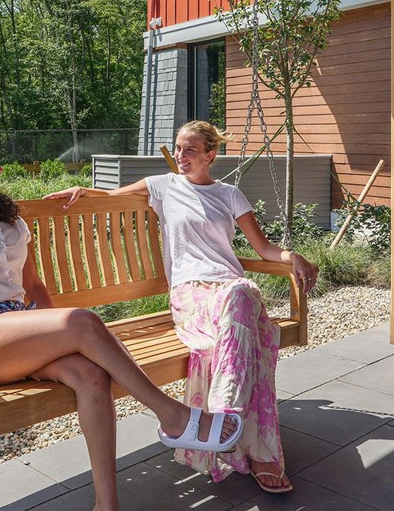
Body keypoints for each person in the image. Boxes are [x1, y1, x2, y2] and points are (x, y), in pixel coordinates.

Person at [0, 126, 243, 511]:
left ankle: (106, 505)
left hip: (18, 335)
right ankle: (173, 415)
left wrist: (52, 335)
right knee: (81, 321)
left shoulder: (8, 223)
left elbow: (33, 287)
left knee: (91, 375)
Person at [46, 120, 319, 494]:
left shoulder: (230, 195)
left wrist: (292, 256)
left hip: (228, 292)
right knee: (246, 312)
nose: (180, 156)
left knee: (240, 295)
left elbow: (264, 249)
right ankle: (258, 450)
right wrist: (82, 189)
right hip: (192, 296)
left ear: (210, 155)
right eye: (177, 148)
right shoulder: (163, 186)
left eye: (189, 150)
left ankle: (222, 417)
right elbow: (109, 197)